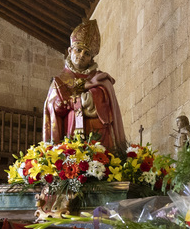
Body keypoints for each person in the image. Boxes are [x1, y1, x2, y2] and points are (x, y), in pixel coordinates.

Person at [43, 19, 127, 150]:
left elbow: (107, 102)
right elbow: (52, 109)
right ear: (70, 51)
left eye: (86, 53)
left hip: (100, 134)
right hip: (70, 133)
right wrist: (60, 104)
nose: (81, 55)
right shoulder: (59, 81)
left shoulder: (100, 78)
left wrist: (82, 99)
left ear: (91, 59)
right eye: (78, 50)